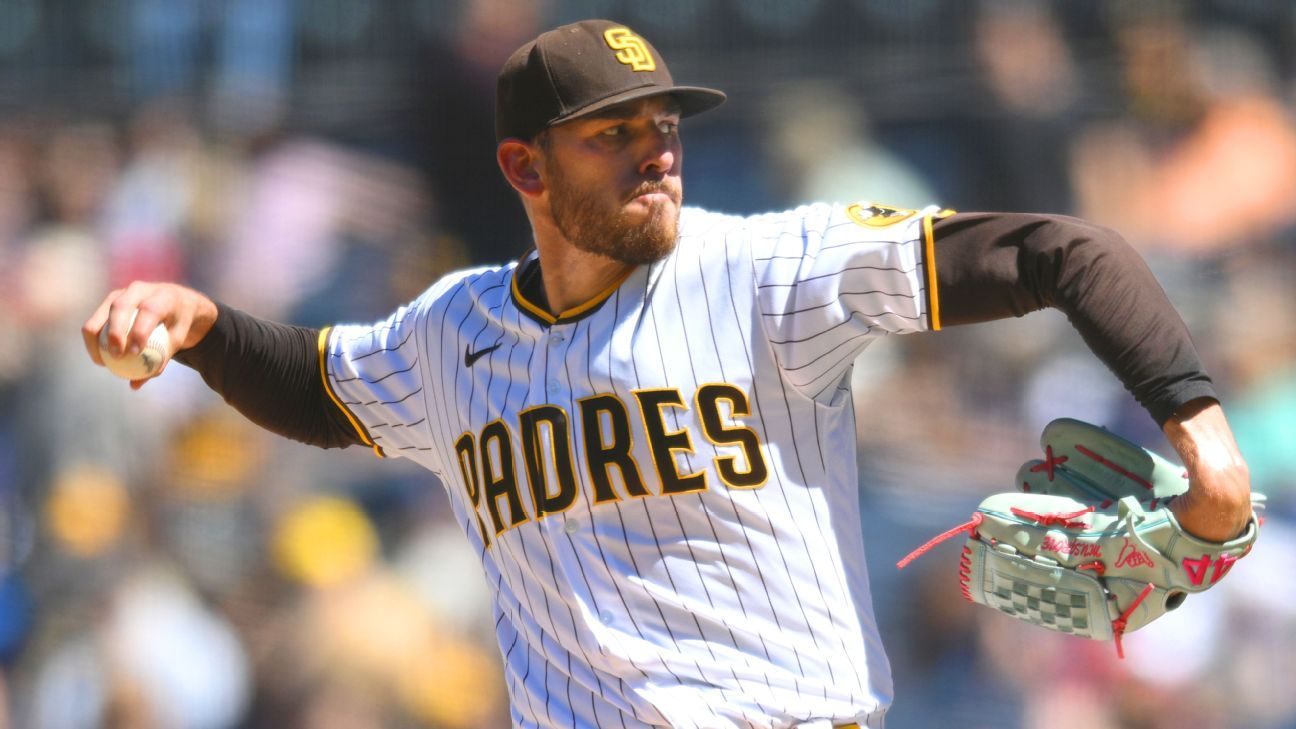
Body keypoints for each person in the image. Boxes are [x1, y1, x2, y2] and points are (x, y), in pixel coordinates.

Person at [83, 19, 1252, 729]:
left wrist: (1207, 446)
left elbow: (1062, 252)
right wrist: (199, 324)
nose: (656, 150)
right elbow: (314, 388)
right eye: (613, 132)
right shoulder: (451, 334)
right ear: (521, 168)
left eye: (665, 125)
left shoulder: (769, 272)